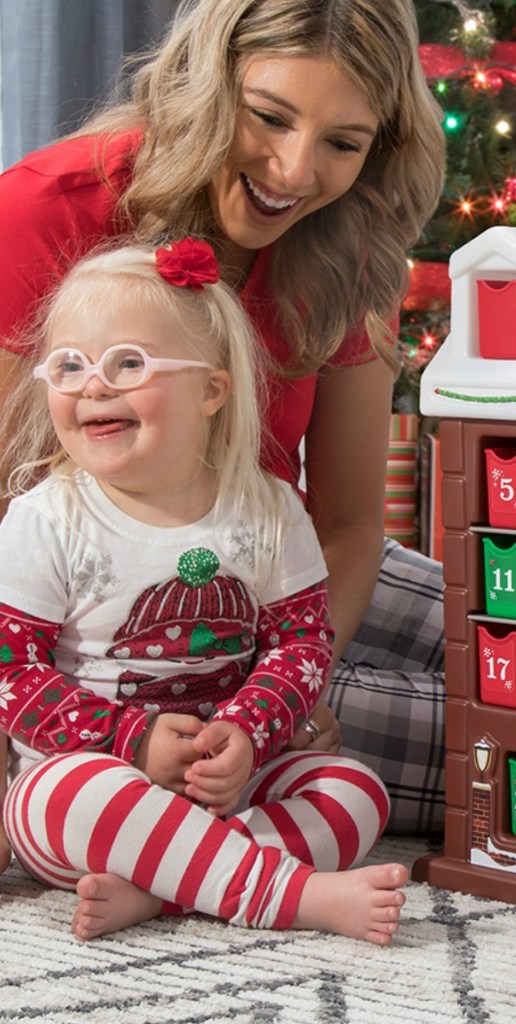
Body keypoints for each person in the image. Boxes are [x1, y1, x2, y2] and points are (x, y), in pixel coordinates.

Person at [0, 0, 449, 853]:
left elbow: (350, 524)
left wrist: (288, 692)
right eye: (270, 117)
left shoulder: (350, 248)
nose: (293, 169)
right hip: (87, 615)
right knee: (502, 745)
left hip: (283, 569)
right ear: (204, 85)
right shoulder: (43, 211)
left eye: (342, 143)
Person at [0, 237, 408, 944]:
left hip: (228, 783)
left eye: (129, 364)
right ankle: (291, 895)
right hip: (95, 790)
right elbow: (11, 670)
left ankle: (163, 892)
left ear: (212, 390)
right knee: (58, 798)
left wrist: (249, 734)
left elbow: (302, 643)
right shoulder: (47, 517)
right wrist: (131, 741)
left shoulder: (271, 509)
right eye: (69, 366)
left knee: (355, 793)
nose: (94, 386)